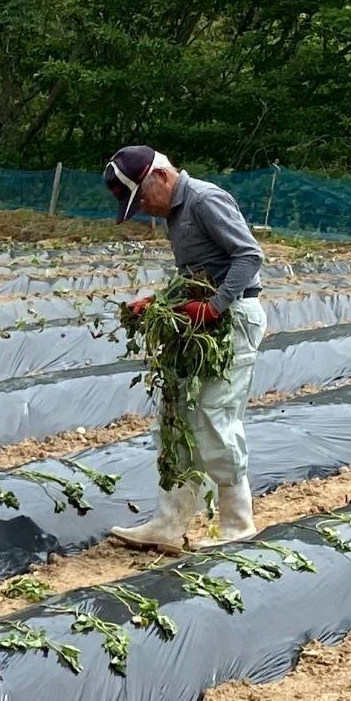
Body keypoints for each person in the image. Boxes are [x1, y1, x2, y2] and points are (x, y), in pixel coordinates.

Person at [101, 145, 267, 548]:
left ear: (160, 176)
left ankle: (238, 525)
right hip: (203, 324)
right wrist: (159, 303)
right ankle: (168, 524)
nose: (143, 208)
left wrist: (214, 307)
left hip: (233, 320)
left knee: (214, 416)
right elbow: (196, 275)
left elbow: (249, 256)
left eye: (141, 198)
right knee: (177, 417)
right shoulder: (176, 213)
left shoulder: (205, 199)